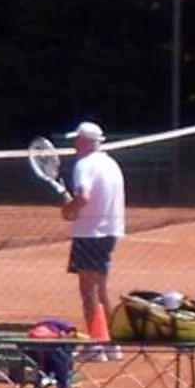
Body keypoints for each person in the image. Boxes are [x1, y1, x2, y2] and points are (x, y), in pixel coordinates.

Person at [58, 120, 126, 343]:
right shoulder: (111, 164)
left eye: (77, 140)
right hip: (110, 232)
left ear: (85, 141)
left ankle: (98, 344)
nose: (75, 144)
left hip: (90, 233)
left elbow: (84, 197)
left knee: (89, 292)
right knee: (101, 289)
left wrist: (69, 210)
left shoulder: (84, 165)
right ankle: (109, 343)